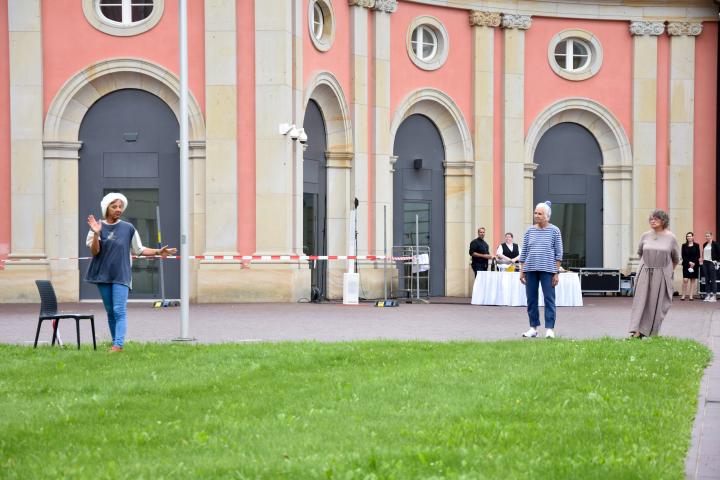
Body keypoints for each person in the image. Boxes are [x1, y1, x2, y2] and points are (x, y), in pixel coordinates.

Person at [85, 192, 177, 351]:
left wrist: (157, 251)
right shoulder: (97, 227)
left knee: (119, 310)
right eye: (114, 207)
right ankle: (115, 342)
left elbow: (139, 250)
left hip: (121, 275)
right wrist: (96, 233)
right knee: (110, 311)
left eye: (120, 206)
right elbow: (94, 251)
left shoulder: (128, 228)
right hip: (102, 275)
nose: (118, 209)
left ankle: (118, 345)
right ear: (106, 208)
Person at [628, 210, 680, 338]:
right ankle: (636, 331)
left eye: (656, 219)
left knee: (656, 304)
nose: (652, 221)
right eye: (651, 219)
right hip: (645, 272)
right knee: (640, 301)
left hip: (661, 274)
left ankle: (651, 332)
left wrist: (667, 272)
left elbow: (676, 258)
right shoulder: (645, 235)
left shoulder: (671, 237)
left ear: (663, 221)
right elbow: (640, 253)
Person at [519, 202, 563, 339]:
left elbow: (559, 253)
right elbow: (524, 252)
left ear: (547, 216)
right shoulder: (529, 231)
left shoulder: (555, 231)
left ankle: (550, 329)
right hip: (530, 269)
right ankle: (533, 328)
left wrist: (556, 273)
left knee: (549, 299)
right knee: (531, 299)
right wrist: (522, 271)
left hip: (548, 270)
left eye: (539, 213)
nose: (536, 216)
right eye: (535, 213)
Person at [680, 232, 700, 300]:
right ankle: (683, 295)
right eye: (687, 236)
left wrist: (693, 263)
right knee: (685, 280)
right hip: (686, 264)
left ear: (693, 237)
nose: (688, 237)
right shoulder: (684, 245)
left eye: (690, 236)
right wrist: (689, 262)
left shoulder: (697, 245)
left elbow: (698, 255)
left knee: (692, 280)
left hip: (694, 265)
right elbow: (683, 255)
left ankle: (691, 296)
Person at [701, 231, 719, 302]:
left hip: (712, 262)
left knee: (713, 279)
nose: (707, 237)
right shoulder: (704, 244)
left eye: (708, 236)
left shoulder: (715, 244)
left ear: (711, 236)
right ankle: (708, 295)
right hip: (705, 263)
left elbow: (718, 253)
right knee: (707, 279)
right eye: (706, 236)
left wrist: (717, 261)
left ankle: (714, 296)